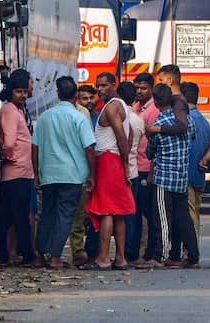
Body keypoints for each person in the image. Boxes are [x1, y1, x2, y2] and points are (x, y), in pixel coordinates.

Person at [32, 76, 96, 269]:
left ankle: (39, 256)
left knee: (47, 214)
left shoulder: (44, 117)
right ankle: (55, 257)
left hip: (49, 174)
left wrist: (36, 173)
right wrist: (92, 174)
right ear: (76, 95)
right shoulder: (79, 118)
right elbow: (90, 148)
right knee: (65, 216)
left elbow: (34, 147)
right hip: (73, 175)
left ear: (58, 94)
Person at [142, 84, 199, 269]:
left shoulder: (158, 124)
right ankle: (192, 256)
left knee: (163, 219)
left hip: (164, 179)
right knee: (183, 218)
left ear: (157, 102)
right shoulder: (187, 122)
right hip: (181, 178)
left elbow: (150, 152)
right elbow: (192, 136)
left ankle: (160, 255)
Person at [87, 72, 136, 270]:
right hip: (114, 159)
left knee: (106, 210)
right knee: (118, 212)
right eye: (98, 86)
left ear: (114, 85)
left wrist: (124, 163)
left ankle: (104, 257)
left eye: (104, 85)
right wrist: (125, 161)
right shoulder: (122, 105)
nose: (99, 90)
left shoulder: (111, 106)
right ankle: (121, 258)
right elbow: (129, 134)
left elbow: (121, 136)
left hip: (108, 160)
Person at [0, 72, 38, 267]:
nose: (22, 95)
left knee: (6, 216)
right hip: (16, 171)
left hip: (19, 171)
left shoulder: (15, 109)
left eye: (24, 91)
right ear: (10, 91)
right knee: (19, 217)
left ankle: (4, 255)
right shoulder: (11, 111)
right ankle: (28, 255)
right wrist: (8, 157)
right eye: (18, 91)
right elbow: (10, 140)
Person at [171, 81, 210, 262]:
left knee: (188, 216)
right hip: (198, 175)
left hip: (185, 175)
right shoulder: (203, 121)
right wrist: (205, 159)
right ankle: (191, 250)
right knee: (195, 212)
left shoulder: (185, 120)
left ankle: (190, 251)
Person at [130, 72, 160, 265]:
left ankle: (150, 253)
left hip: (147, 168)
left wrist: (151, 171)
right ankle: (135, 253)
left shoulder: (154, 110)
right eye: (137, 88)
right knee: (135, 212)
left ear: (151, 88)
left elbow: (156, 144)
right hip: (135, 167)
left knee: (149, 213)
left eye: (143, 88)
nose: (139, 91)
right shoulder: (135, 107)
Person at [118, 81, 145, 262]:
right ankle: (129, 251)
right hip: (133, 171)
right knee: (130, 214)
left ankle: (118, 252)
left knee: (114, 214)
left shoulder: (116, 117)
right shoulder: (138, 120)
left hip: (117, 170)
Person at [69, 89, 95, 268]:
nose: (88, 101)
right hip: (78, 172)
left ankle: (52, 254)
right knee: (77, 216)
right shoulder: (82, 115)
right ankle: (77, 252)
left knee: (63, 215)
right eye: (84, 98)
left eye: (90, 97)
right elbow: (89, 146)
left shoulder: (50, 114)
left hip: (58, 173)